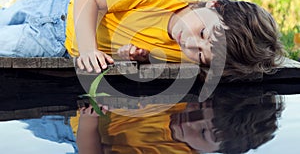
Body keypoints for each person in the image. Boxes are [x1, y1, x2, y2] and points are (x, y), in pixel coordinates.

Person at [0, 0, 285, 79]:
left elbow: (136, 43)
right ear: (215, 4)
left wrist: (131, 56)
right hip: (61, 2)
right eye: (202, 31)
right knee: (7, 15)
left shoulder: (188, 57)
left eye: (200, 53)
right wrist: (88, 49)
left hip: (55, 42)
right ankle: (12, 0)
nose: (190, 42)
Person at [73, 86, 284, 154]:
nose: (191, 121)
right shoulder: (182, 102)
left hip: (74, 130)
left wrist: (89, 122)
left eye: (203, 133)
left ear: (208, 152)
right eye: (202, 109)